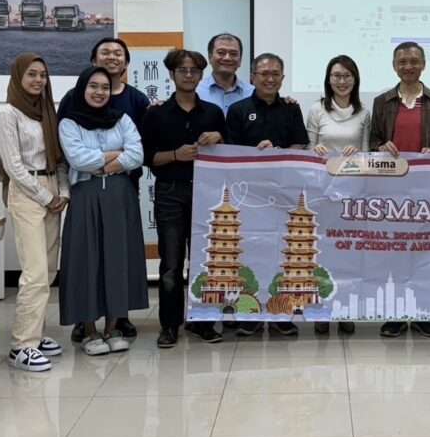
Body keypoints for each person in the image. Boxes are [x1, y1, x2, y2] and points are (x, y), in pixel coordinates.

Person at [58, 36, 149, 343]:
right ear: (82, 88)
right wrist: (115, 155)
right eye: (93, 86)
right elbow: (77, 159)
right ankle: (88, 329)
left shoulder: (122, 118)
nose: (99, 92)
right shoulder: (69, 121)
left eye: (105, 88)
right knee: (85, 259)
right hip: (85, 195)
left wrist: (102, 164)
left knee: (118, 258)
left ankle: (113, 326)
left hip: (120, 195)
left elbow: (137, 155)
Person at [142, 49, 227, 349]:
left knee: (205, 262)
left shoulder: (213, 113)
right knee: (171, 265)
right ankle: (169, 325)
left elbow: (230, 154)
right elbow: (147, 157)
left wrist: (219, 137)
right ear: (172, 74)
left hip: (207, 193)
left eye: (194, 70)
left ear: (201, 75)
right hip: (170, 192)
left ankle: (202, 322)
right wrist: (176, 155)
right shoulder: (155, 114)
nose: (189, 75)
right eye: (182, 70)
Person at [370, 41, 430, 339]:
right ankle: (395, 314)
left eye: (414, 61)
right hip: (391, 190)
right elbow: (373, 141)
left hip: (427, 190)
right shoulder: (382, 102)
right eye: (402, 62)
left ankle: (423, 313)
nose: (408, 66)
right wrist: (381, 146)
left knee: (425, 252)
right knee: (394, 253)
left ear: (423, 65)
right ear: (394, 66)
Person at [226, 52, 308, 338]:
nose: (270, 79)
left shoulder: (291, 109)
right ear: (252, 77)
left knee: (281, 254)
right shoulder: (237, 110)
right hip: (249, 197)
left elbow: (301, 145)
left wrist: (281, 153)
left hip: (284, 195)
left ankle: (280, 314)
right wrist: (255, 154)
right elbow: (229, 152)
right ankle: (248, 314)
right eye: (264, 74)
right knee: (249, 254)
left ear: (282, 78)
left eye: (275, 74)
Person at [0, 53, 69, 373]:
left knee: (49, 269)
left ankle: (35, 335)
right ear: (18, 77)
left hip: (52, 187)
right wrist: (45, 196)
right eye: (32, 74)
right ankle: (21, 345)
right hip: (27, 191)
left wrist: (62, 192)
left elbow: (59, 158)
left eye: (43, 75)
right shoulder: (8, 114)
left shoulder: (48, 111)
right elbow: (13, 166)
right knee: (35, 271)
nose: (39, 80)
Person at [306, 54, 370, 337]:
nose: (341, 81)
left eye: (347, 76)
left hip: (352, 193)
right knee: (322, 252)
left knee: (349, 254)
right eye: (336, 76)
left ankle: (346, 309)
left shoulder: (364, 112)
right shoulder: (317, 109)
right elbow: (306, 149)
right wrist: (315, 150)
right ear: (328, 79)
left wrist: (358, 153)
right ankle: (321, 310)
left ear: (355, 79)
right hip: (322, 191)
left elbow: (369, 153)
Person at [197, 33, 254, 114]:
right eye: (221, 52)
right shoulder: (196, 91)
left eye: (233, 54)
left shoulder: (252, 93)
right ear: (210, 57)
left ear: (240, 60)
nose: (227, 58)